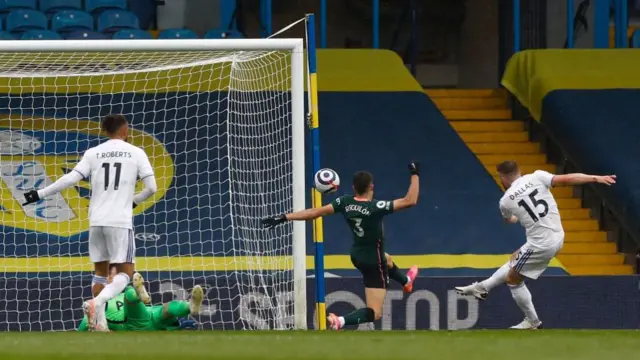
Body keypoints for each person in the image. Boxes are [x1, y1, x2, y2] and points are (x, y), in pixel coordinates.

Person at [22, 114, 158, 331]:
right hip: (120, 221)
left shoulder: (93, 153)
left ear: (104, 131)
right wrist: (132, 202)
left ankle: (100, 324)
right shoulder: (136, 153)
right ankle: (97, 302)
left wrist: (39, 193)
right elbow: (151, 188)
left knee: (101, 273)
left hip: (96, 220)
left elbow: (70, 179)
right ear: (125, 131)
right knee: (125, 273)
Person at [455, 160, 616, 329]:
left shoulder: (505, 201)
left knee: (513, 280)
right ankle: (482, 287)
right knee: (516, 257)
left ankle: (532, 321)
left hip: (541, 244)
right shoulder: (538, 176)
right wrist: (595, 178)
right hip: (557, 235)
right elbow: (567, 179)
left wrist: (516, 214)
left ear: (502, 177)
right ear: (519, 171)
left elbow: (509, 220)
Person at [262, 161, 420, 330]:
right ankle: (340, 321)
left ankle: (406, 282)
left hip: (357, 255)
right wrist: (415, 174)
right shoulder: (376, 207)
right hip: (374, 262)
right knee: (375, 313)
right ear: (371, 187)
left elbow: (315, 212)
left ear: (354, 188)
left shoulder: (344, 202)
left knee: (387, 258)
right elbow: (410, 201)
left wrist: (286, 217)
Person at [77, 267, 203, 332]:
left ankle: (190, 306)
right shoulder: (97, 310)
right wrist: (90, 321)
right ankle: (138, 294)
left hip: (149, 314)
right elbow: (81, 332)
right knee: (129, 293)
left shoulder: (112, 298)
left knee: (166, 308)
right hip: (135, 323)